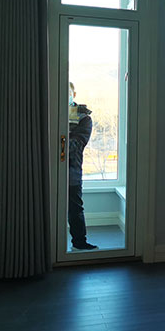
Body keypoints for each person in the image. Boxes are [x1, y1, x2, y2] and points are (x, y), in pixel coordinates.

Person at [68, 82, 97, 250]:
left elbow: (76, 145)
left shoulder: (83, 118)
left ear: (74, 94)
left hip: (72, 170)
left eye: (67, 92)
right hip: (49, 170)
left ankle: (79, 243)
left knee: (75, 208)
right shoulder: (49, 112)